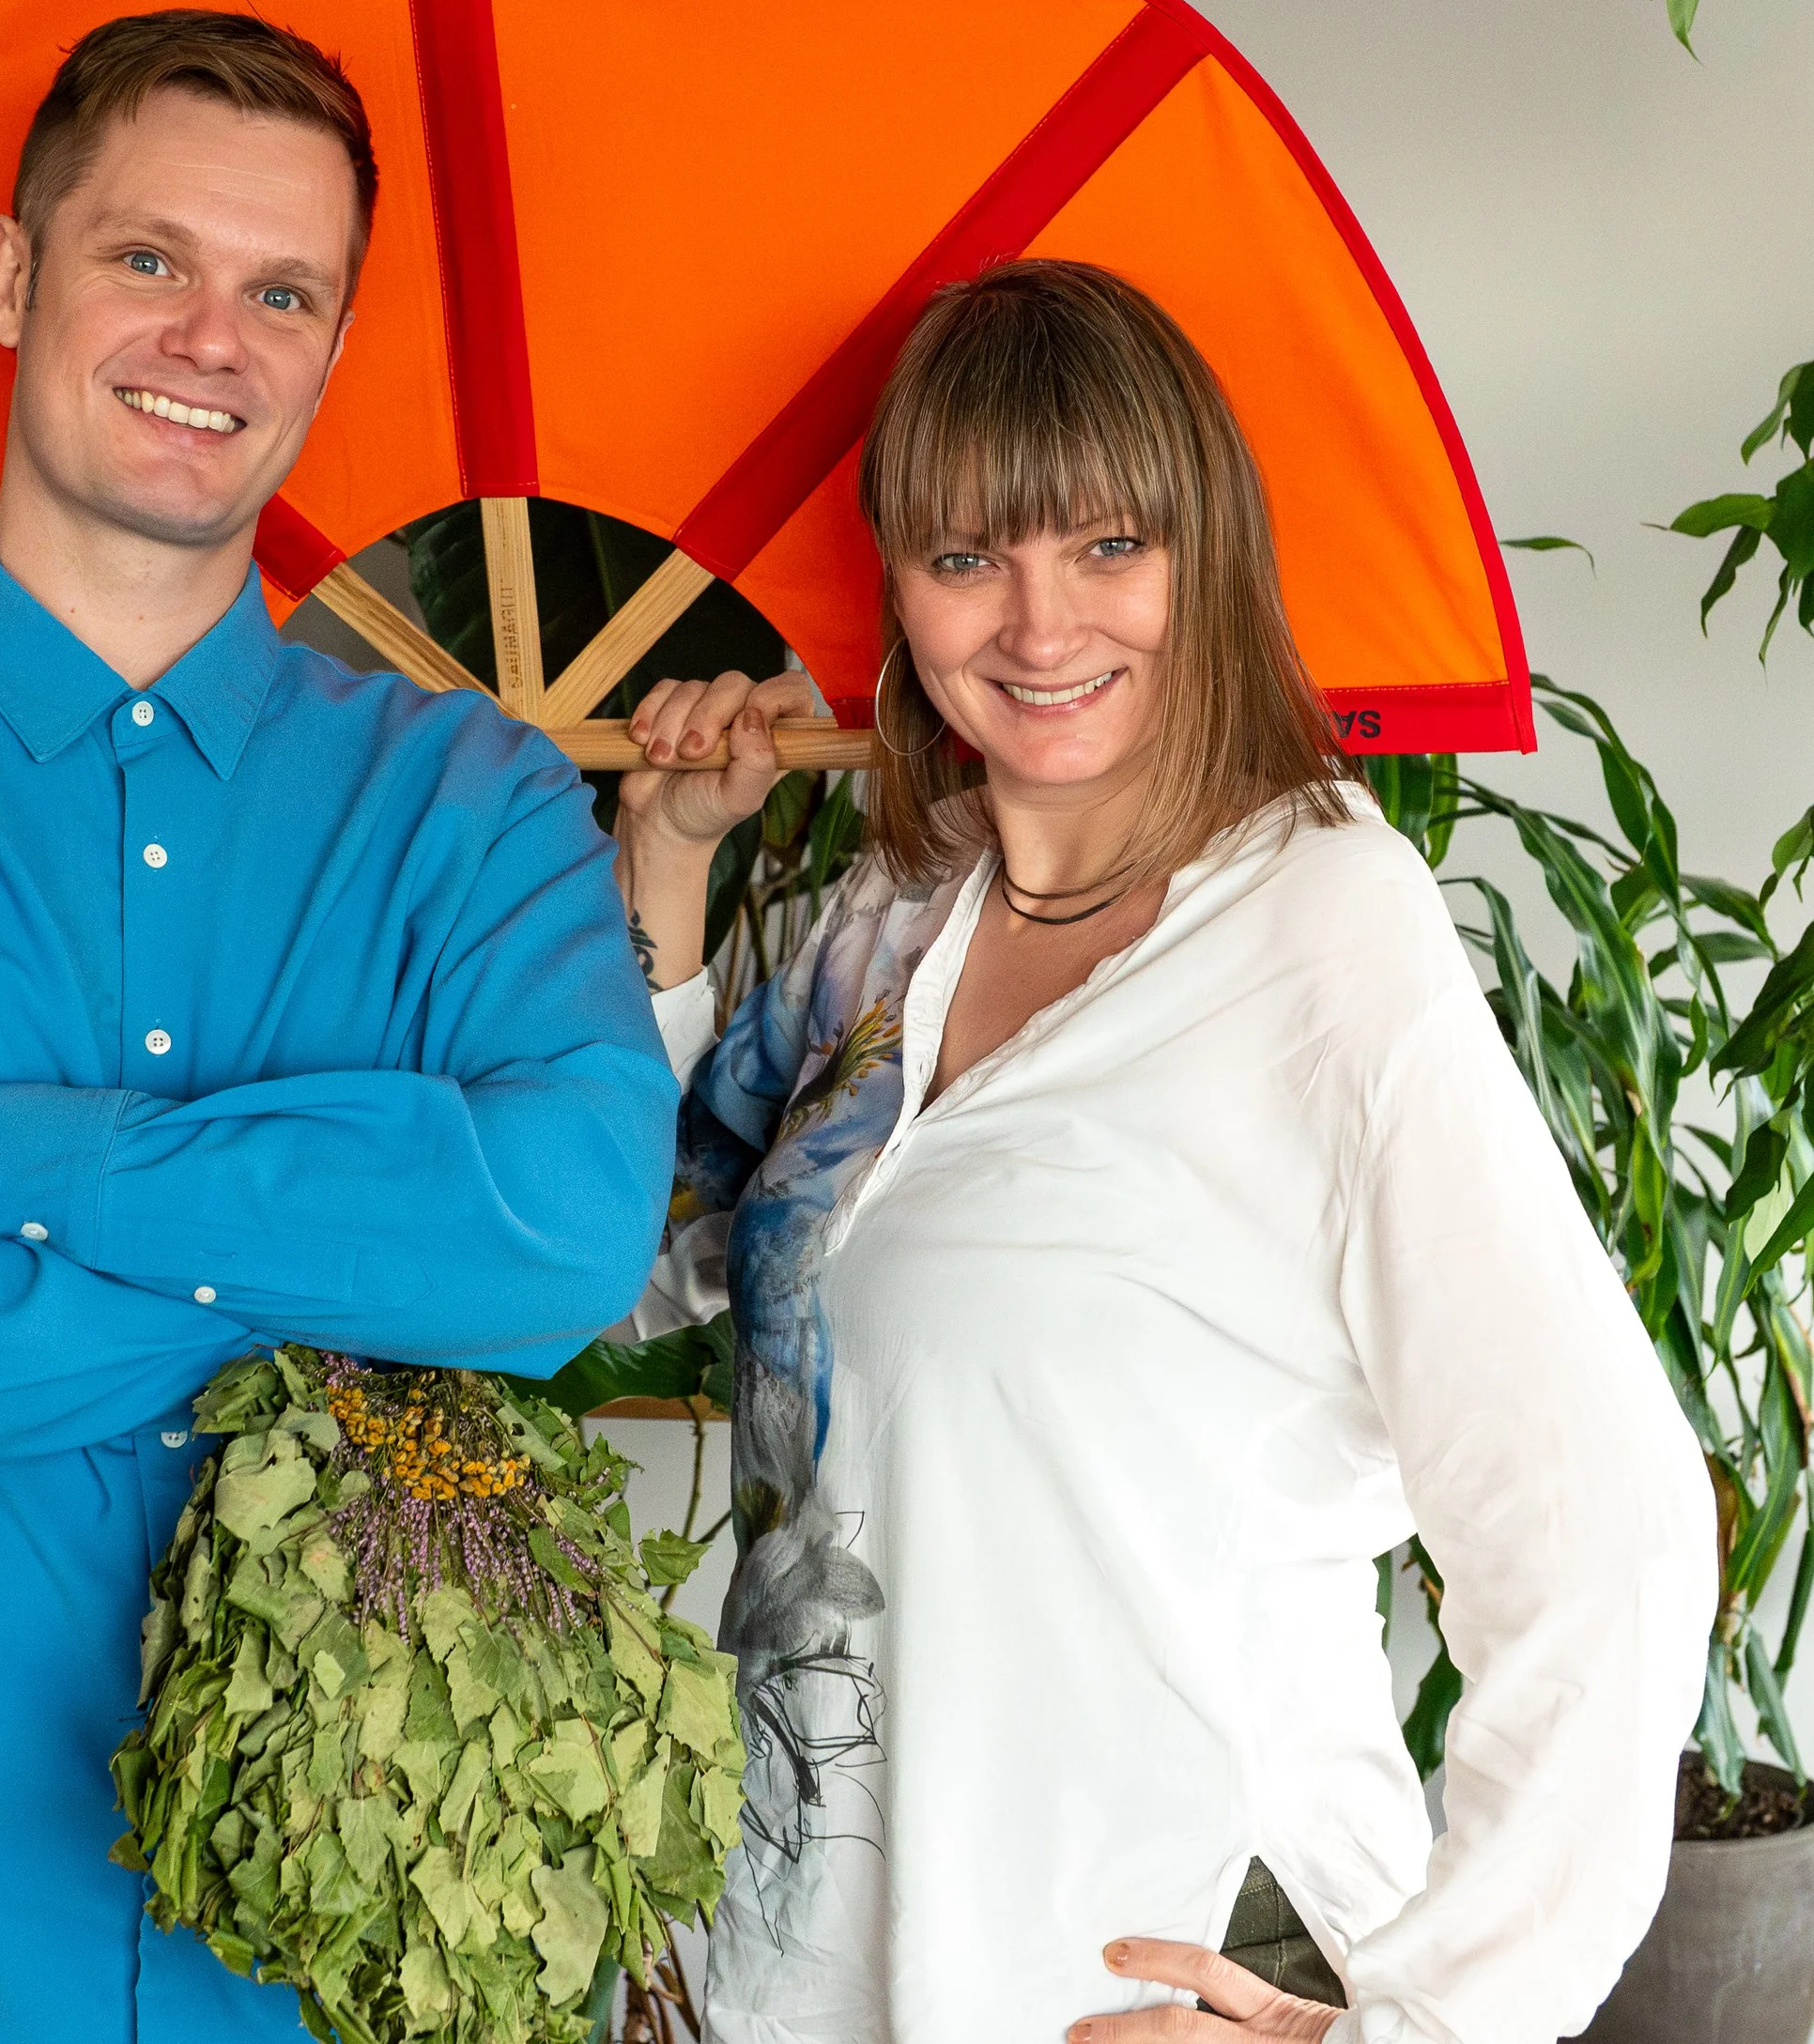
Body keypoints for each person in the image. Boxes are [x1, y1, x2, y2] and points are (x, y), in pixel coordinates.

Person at [0, 10, 679, 2044]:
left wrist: (30, 1161)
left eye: (281, 290)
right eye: (148, 259)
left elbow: (558, 1238)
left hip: (323, 1959)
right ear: (14, 276)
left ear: (332, 346)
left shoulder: (472, 803)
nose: (212, 338)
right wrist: (359, 1307)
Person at [611, 260, 1714, 2044]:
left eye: (1108, 545)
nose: (1038, 628)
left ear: (1209, 549)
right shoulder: (895, 915)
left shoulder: (1321, 929)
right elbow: (639, 1249)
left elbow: (1615, 1535)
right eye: (969, 559)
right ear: (901, 584)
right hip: (813, 1953)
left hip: (1151, 1957)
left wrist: (1423, 2031)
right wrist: (667, 862)